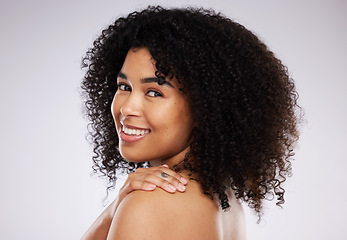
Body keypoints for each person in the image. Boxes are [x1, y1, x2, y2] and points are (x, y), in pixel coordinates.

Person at [80, 6, 300, 240]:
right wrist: (113, 210)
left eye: (154, 92)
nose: (126, 108)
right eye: (124, 87)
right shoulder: (223, 199)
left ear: (204, 108)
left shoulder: (149, 203)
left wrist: (121, 207)